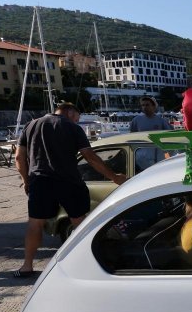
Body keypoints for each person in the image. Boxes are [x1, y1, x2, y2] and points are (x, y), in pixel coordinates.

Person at [15, 102, 127, 277]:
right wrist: (114, 177)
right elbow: (90, 157)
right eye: (78, 117)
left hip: (40, 181)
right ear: (70, 112)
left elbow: (19, 157)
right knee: (79, 223)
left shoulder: (31, 125)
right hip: (69, 182)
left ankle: (26, 266)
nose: (78, 120)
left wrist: (26, 181)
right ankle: (89, 263)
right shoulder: (71, 128)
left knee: (35, 223)